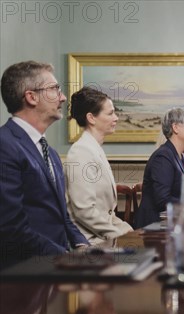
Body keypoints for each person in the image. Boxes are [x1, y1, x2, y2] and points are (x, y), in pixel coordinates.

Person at [0, 61, 88, 267]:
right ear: (31, 97)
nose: (63, 97)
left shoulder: (52, 154)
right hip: (22, 277)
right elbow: (11, 227)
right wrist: (66, 257)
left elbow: (61, 215)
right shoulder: (5, 145)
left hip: (52, 272)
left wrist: (82, 246)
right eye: (54, 89)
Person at [65, 87, 133, 245]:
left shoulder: (93, 149)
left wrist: (127, 229)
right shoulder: (81, 152)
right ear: (91, 118)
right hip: (90, 244)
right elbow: (84, 211)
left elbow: (106, 213)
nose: (116, 118)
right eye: (110, 113)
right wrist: (119, 235)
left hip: (103, 239)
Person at [134, 107, 184, 228]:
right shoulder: (163, 156)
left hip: (174, 222)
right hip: (154, 228)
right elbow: (162, 201)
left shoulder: (181, 157)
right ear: (176, 127)